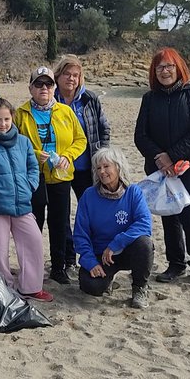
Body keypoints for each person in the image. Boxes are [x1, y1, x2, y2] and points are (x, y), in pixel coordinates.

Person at [134, 47, 190, 285]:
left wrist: (173, 155)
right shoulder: (149, 99)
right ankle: (175, 264)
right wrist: (160, 157)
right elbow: (140, 135)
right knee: (169, 216)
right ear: (154, 72)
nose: (165, 71)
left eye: (169, 66)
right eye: (160, 67)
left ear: (178, 67)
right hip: (160, 168)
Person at [0, 98, 53, 302]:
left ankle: (30, 287)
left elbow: (33, 167)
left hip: (22, 205)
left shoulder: (23, 142)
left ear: (12, 118)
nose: (3, 124)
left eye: (7, 119)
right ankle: (4, 289)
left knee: (33, 242)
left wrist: (29, 185)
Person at [15, 66, 86, 284]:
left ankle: (58, 267)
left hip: (61, 176)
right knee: (33, 224)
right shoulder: (20, 114)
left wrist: (68, 156)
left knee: (59, 223)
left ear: (54, 87)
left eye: (48, 84)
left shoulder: (65, 112)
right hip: (34, 177)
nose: (43, 88)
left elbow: (80, 140)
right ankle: (31, 268)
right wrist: (35, 154)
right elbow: (14, 143)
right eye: (38, 84)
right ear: (30, 88)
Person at [73, 148, 155, 308]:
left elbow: (144, 223)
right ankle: (108, 279)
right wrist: (90, 262)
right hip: (101, 255)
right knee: (91, 287)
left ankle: (140, 287)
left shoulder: (133, 192)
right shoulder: (89, 196)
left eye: (106, 166)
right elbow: (80, 235)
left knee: (145, 244)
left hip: (126, 250)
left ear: (118, 167)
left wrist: (115, 244)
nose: (102, 172)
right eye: (98, 168)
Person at [53, 55, 110, 258]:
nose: (71, 79)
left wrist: (103, 155)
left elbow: (104, 128)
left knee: (91, 213)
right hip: (58, 168)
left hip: (87, 166)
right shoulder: (50, 100)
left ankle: (93, 254)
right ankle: (67, 257)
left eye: (76, 75)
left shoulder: (89, 99)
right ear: (58, 76)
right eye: (67, 74)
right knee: (61, 215)